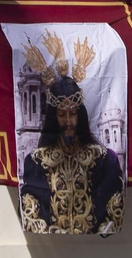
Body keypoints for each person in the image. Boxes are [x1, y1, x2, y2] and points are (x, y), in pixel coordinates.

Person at [19, 75, 125, 235]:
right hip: (53, 243)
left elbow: (114, 204)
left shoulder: (103, 159)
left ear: (80, 115)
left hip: (92, 245)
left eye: (73, 113)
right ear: (54, 117)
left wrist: (102, 231)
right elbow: (30, 204)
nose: (68, 121)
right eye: (62, 115)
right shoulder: (37, 161)